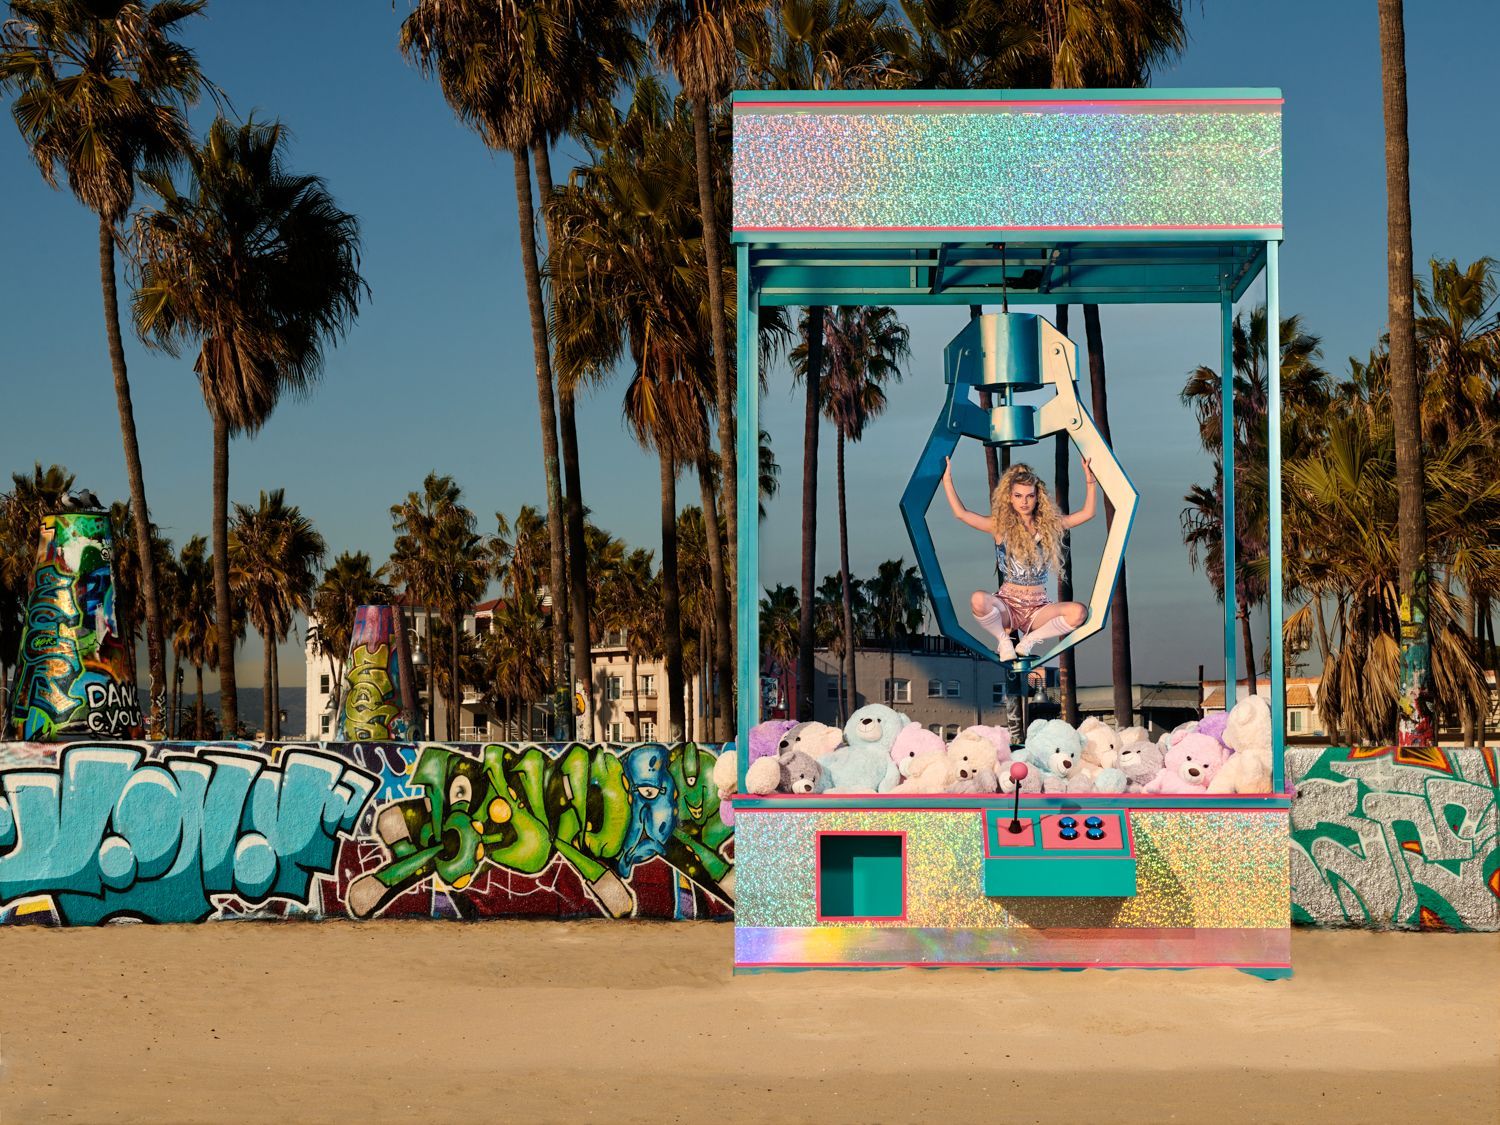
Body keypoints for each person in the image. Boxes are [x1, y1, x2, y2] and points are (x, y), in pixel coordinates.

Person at [942, 453, 1097, 662]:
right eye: (1018, 496)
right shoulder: (1000, 526)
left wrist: (1090, 481)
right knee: (978, 599)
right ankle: (1003, 639)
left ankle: (1031, 639)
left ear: (1037, 497)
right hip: (1009, 604)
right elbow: (962, 514)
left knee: (1078, 612)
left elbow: (1087, 513)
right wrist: (947, 481)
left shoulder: (1050, 525)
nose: (1024, 501)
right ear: (1010, 497)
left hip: (1039, 608)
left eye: (1029, 496)